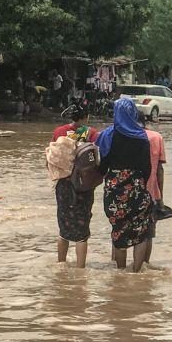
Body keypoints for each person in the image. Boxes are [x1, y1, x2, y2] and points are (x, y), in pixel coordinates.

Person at [97, 99, 154, 272]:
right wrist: (137, 182)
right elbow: (147, 168)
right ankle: (136, 272)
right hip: (137, 188)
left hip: (114, 191)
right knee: (141, 232)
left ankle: (121, 272)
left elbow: (102, 168)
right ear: (133, 113)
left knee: (119, 232)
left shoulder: (107, 135)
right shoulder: (142, 136)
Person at [52, 105, 100, 268]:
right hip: (83, 185)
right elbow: (96, 159)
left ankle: (61, 264)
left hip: (63, 183)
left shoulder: (59, 131)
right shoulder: (92, 133)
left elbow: (53, 157)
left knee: (63, 225)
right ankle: (81, 270)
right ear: (85, 117)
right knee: (82, 228)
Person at [139, 111, 167, 265]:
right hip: (151, 193)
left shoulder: (122, 136)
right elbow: (159, 171)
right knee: (148, 234)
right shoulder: (156, 137)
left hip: (125, 193)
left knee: (120, 231)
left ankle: (118, 267)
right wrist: (160, 198)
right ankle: (145, 266)